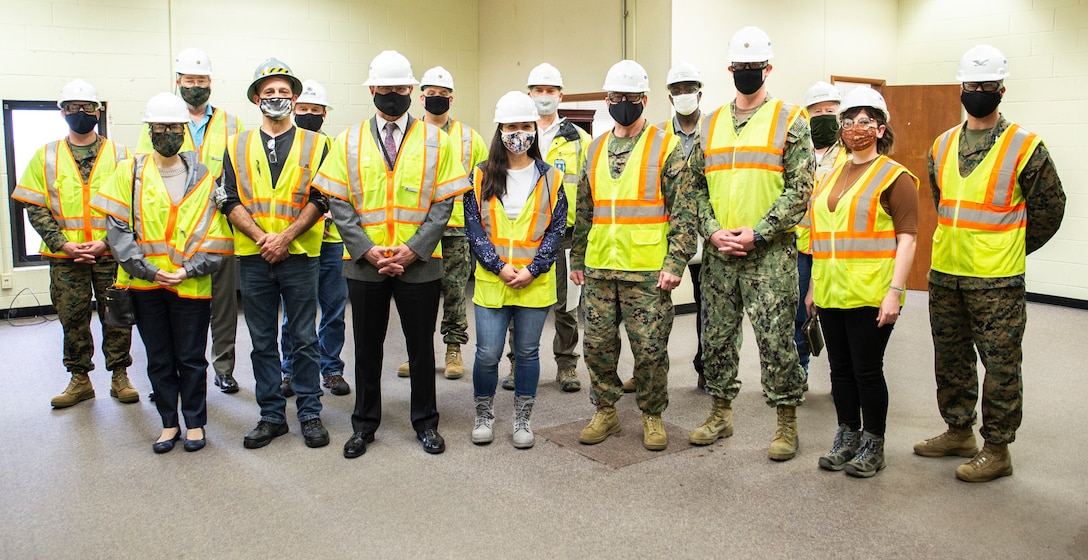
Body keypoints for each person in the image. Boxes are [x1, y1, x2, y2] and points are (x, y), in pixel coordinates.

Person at [914, 45, 1066, 483]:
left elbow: (1050, 211)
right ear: (961, 88)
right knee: (951, 358)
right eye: (970, 86)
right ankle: (958, 431)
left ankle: (997, 449)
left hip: (996, 281)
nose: (977, 92)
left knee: (1000, 365)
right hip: (946, 274)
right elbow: (943, 201)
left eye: (985, 87)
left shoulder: (1026, 147)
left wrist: (1011, 246)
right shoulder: (941, 144)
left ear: (1001, 89)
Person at [313, 50, 470, 458]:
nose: (393, 95)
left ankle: (425, 423)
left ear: (411, 90)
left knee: (421, 348)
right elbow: (340, 204)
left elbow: (444, 203)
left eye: (401, 88)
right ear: (371, 90)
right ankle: (364, 424)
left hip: (419, 264)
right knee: (367, 349)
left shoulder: (437, 140)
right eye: (385, 88)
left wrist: (413, 250)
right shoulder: (347, 140)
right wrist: (367, 251)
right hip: (365, 267)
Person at [687, 26, 814, 461]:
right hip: (720, 254)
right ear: (730, 70)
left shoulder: (790, 119)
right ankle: (720, 414)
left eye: (753, 68)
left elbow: (800, 189)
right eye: (739, 68)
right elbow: (695, 188)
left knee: (777, 340)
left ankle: (786, 424)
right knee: (717, 337)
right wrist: (711, 230)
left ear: (768, 69)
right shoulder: (710, 124)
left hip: (771, 256)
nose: (746, 73)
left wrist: (758, 233)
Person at [92, 93, 232, 453]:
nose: (167, 132)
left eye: (174, 127)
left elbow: (218, 236)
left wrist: (187, 271)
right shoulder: (129, 173)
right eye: (160, 127)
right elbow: (118, 232)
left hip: (192, 284)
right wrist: (151, 271)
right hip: (145, 284)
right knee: (159, 357)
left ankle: (196, 423)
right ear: (150, 130)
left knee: (190, 357)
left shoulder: (204, 177)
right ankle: (169, 423)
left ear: (184, 131)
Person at [572, 60, 696, 452]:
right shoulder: (592, 150)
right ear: (606, 101)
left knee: (650, 350)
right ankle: (606, 410)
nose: (622, 103)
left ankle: (652, 413)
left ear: (644, 100)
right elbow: (584, 209)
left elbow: (684, 210)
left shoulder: (666, 145)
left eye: (630, 98)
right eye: (615, 97)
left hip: (646, 271)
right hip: (599, 270)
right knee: (596, 346)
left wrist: (676, 263)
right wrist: (577, 258)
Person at [804, 88, 918, 477]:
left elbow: (908, 238)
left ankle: (874, 442)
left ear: (881, 128)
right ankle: (847, 434)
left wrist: (895, 293)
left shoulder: (895, 177)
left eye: (865, 121)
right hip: (832, 288)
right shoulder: (831, 174)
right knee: (839, 370)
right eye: (848, 121)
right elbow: (823, 234)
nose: (855, 128)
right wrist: (814, 287)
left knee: (867, 370)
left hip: (872, 292)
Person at [218, 58, 330, 450]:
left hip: (299, 255)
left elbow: (322, 196)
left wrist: (285, 237)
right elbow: (227, 198)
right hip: (253, 257)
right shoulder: (236, 144)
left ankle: (310, 413)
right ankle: (270, 416)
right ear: (256, 99)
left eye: (284, 92)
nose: (277, 98)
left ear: (295, 98)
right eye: (269, 93)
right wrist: (264, 238)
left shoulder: (317, 143)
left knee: (303, 337)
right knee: (262, 340)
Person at [12, 79, 136, 409]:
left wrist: (104, 242)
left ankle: (120, 376)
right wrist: (62, 243)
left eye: (87, 108)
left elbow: (132, 206)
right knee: (72, 317)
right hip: (65, 257)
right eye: (73, 108)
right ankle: (79, 379)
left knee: (117, 315)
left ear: (98, 111)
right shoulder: (46, 155)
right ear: (62, 112)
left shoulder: (122, 155)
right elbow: (33, 205)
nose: (80, 113)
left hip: (110, 253)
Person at [136, 48, 244, 395]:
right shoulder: (159, 120)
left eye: (201, 80)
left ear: (210, 82)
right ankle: (171, 376)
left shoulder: (231, 123)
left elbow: (238, 171)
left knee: (224, 304)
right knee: (177, 305)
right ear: (178, 81)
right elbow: (143, 172)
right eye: (189, 80)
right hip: (174, 232)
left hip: (218, 228)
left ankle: (223, 367)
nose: (195, 86)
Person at [464, 92, 566, 449]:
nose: (518, 133)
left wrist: (534, 269)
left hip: (534, 283)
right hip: (493, 281)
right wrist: (499, 266)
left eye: (525, 126)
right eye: (511, 127)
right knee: (487, 353)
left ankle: (523, 418)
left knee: (527, 353)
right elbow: (473, 228)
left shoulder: (551, 177)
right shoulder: (480, 176)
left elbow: (557, 228)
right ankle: (484, 414)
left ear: (535, 129)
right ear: (500, 130)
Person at [500, 63, 592, 393]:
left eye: (550, 91)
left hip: (564, 236)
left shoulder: (578, 139)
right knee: (519, 300)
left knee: (566, 306)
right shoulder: (516, 134)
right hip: (524, 235)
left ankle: (567, 365)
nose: (544, 96)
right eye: (538, 90)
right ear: (529, 94)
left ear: (560, 95)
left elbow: (586, 194)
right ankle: (516, 363)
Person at [394, 66, 488, 381]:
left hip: (457, 229)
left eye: (443, 96)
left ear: (451, 98)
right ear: (421, 98)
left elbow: (483, 186)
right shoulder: (407, 134)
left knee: (455, 291)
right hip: (418, 230)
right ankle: (417, 353)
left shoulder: (469, 137)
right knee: (417, 295)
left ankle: (453, 349)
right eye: (431, 95)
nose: (437, 100)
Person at [279, 79, 351, 398]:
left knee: (333, 309)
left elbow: (344, 188)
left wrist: (329, 214)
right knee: (294, 312)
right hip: (296, 243)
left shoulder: (335, 147)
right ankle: (290, 370)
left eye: (315, 110)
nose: (309, 115)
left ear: (325, 113)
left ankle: (331, 368)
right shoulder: (285, 147)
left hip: (332, 242)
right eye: (303, 109)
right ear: (294, 109)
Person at [794, 81, 849, 390]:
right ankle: (799, 370)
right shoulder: (797, 151)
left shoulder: (849, 155)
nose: (825, 116)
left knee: (837, 315)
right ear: (807, 114)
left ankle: (841, 378)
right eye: (818, 111)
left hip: (837, 249)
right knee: (800, 313)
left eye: (831, 110)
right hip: (802, 247)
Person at [659, 61, 706, 392]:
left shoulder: (716, 129)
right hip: (669, 234)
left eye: (689, 88)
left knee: (709, 309)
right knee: (654, 309)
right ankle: (651, 370)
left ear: (700, 92)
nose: (684, 94)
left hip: (708, 232)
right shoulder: (659, 135)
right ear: (669, 95)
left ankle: (706, 369)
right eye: (678, 90)